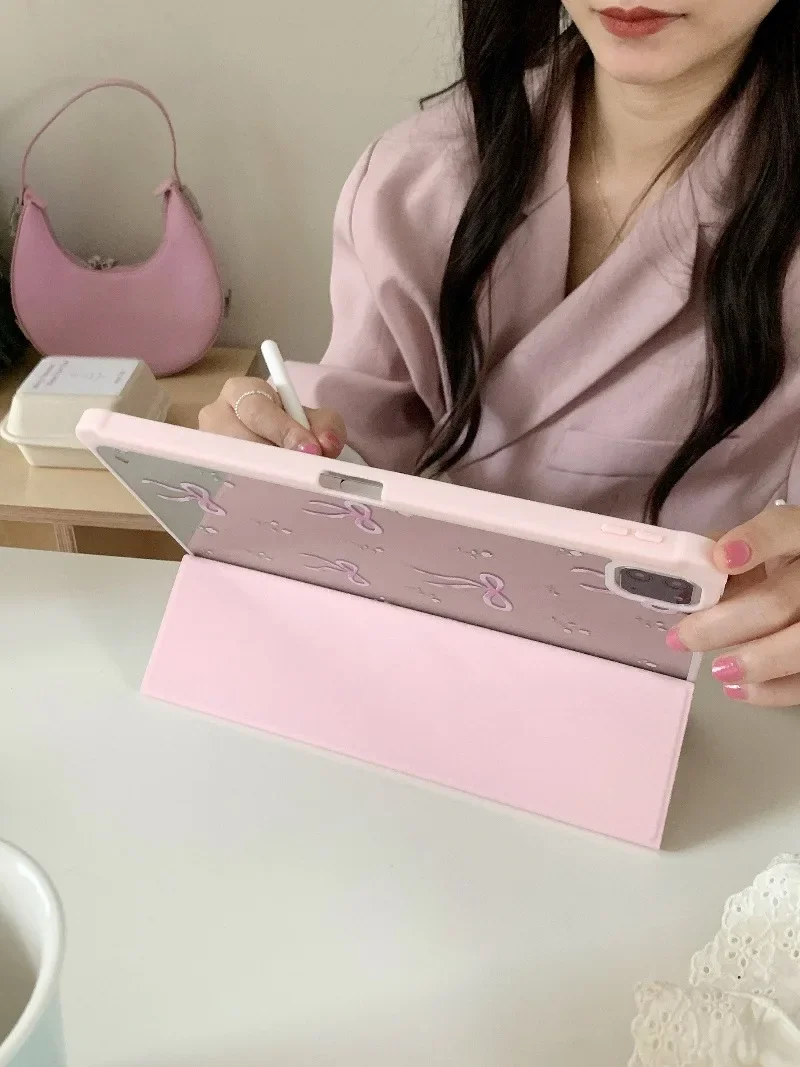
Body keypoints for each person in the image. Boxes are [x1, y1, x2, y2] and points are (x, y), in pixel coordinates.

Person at [200, 1, 800, 706]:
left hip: (711, 719)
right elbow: (358, 443)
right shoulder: (419, 175)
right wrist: (276, 447)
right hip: (412, 682)